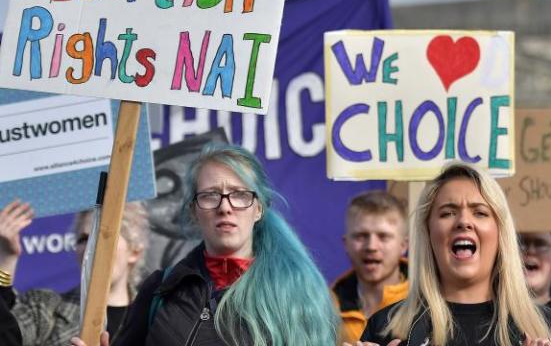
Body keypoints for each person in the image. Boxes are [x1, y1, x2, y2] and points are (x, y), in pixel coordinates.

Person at [72, 144, 339, 346]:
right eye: (211, 196)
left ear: (258, 208)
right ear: (193, 211)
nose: (225, 207)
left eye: (239, 195)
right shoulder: (159, 291)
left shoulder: (296, 294)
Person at [357, 162, 551, 346]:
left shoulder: (548, 329)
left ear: (500, 232)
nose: (464, 221)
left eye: (480, 213)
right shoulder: (387, 328)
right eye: (448, 213)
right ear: (428, 231)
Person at [0, 200, 148, 346]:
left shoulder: (153, 318)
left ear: (134, 251)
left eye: (105, 236)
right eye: (83, 239)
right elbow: (8, 335)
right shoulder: (44, 308)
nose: (91, 248)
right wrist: (6, 259)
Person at [332, 190, 409, 343]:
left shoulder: (429, 303)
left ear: (404, 245)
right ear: (346, 244)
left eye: (383, 236)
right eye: (361, 236)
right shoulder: (323, 308)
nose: (371, 246)